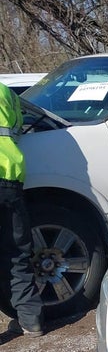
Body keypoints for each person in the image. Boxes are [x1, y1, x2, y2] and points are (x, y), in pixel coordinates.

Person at [0, 81, 43, 336]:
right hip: (10, 177)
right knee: (17, 252)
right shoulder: (5, 91)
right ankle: (31, 320)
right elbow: (18, 126)